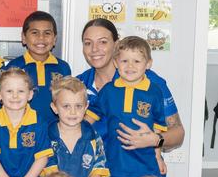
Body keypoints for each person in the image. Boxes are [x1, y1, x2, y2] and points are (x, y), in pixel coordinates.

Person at [86, 36, 167, 177]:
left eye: (137, 61)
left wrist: (158, 155)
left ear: (148, 64)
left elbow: (159, 126)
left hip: (146, 164)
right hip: (116, 164)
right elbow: (90, 117)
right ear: (116, 63)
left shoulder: (154, 91)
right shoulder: (108, 91)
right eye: (124, 61)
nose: (130, 66)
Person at [78, 18, 184, 151]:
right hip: (93, 168)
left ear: (116, 45)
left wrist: (155, 140)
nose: (94, 49)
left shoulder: (149, 81)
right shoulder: (78, 85)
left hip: (140, 167)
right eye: (88, 43)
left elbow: (178, 134)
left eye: (103, 42)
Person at [5, 11, 71, 122]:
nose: (41, 38)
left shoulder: (63, 67)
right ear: (24, 37)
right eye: (35, 33)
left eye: (47, 33)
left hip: (55, 131)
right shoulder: (14, 68)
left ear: (54, 39)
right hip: (23, 130)